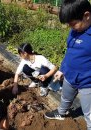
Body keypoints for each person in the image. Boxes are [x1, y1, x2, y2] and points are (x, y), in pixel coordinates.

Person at [44, 0, 91, 130]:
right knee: (65, 98)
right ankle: (61, 112)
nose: (71, 27)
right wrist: (62, 69)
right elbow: (69, 52)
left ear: (86, 16)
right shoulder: (75, 31)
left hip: (87, 83)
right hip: (70, 77)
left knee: (89, 114)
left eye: (73, 24)